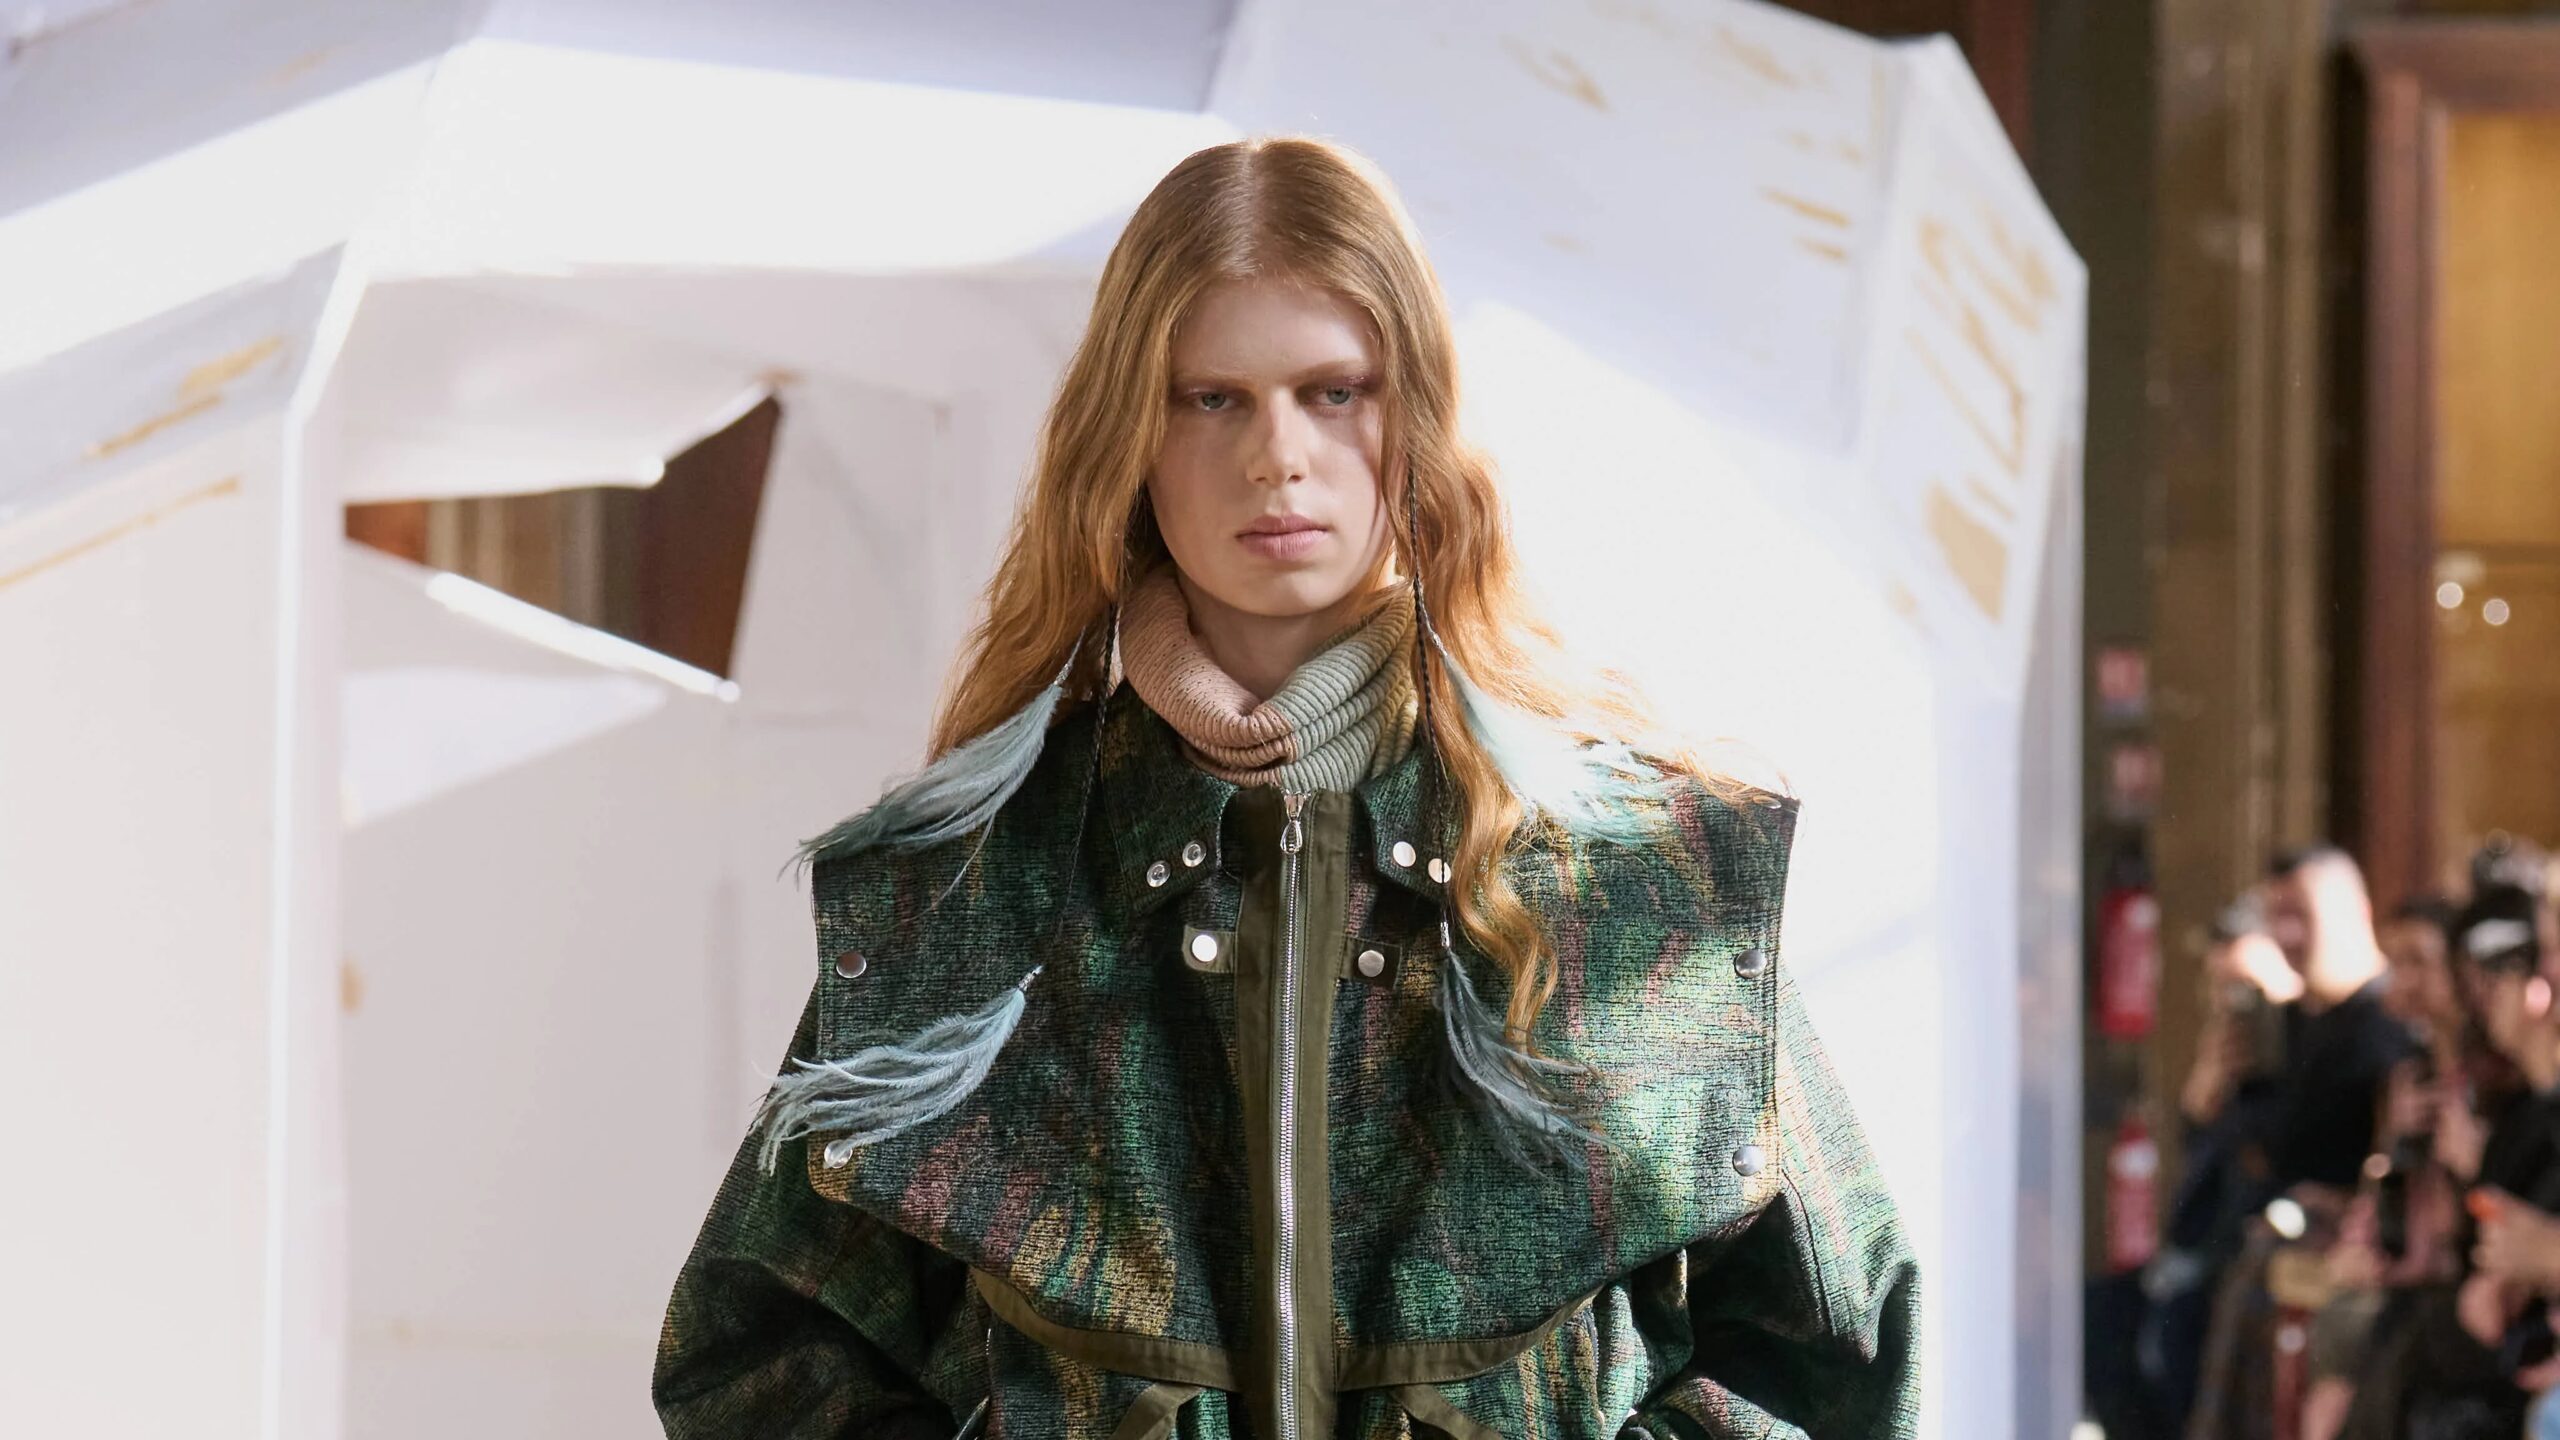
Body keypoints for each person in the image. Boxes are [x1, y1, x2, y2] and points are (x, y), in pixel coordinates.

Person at [646, 136, 1922, 1439]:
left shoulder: (1638, 879)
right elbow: (756, 1362)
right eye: (1212, 398)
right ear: (1129, 433)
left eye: (1334, 391)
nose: (1278, 456)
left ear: (1415, 413)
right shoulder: (975, 889)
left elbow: (1836, 1367)